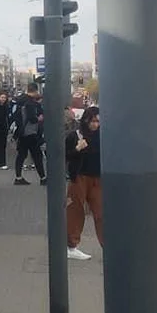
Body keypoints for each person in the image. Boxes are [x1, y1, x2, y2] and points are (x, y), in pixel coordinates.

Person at [65, 106, 103, 260]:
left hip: (98, 178)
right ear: (86, 120)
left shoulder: (103, 135)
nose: (95, 125)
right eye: (92, 121)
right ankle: (71, 246)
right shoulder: (75, 135)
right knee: (76, 210)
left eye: (98, 121)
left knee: (101, 213)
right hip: (79, 177)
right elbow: (65, 155)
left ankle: (108, 246)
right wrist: (77, 149)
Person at [12, 83, 46, 186]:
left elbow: (15, 115)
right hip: (31, 132)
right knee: (37, 155)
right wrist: (38, 118)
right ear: (35, 91)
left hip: (22, 132)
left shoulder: (19, 100)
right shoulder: (30, 103)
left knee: (21, 155)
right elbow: (32, 118)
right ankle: (43, 178)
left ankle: (18, 177)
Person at [0, 92, 12, 169]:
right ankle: (2, 163)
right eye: (2, 97)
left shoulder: (6, 106)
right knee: (1, 146)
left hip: (3, 128)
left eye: (4, 98)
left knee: (0, 146)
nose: (3, 99)